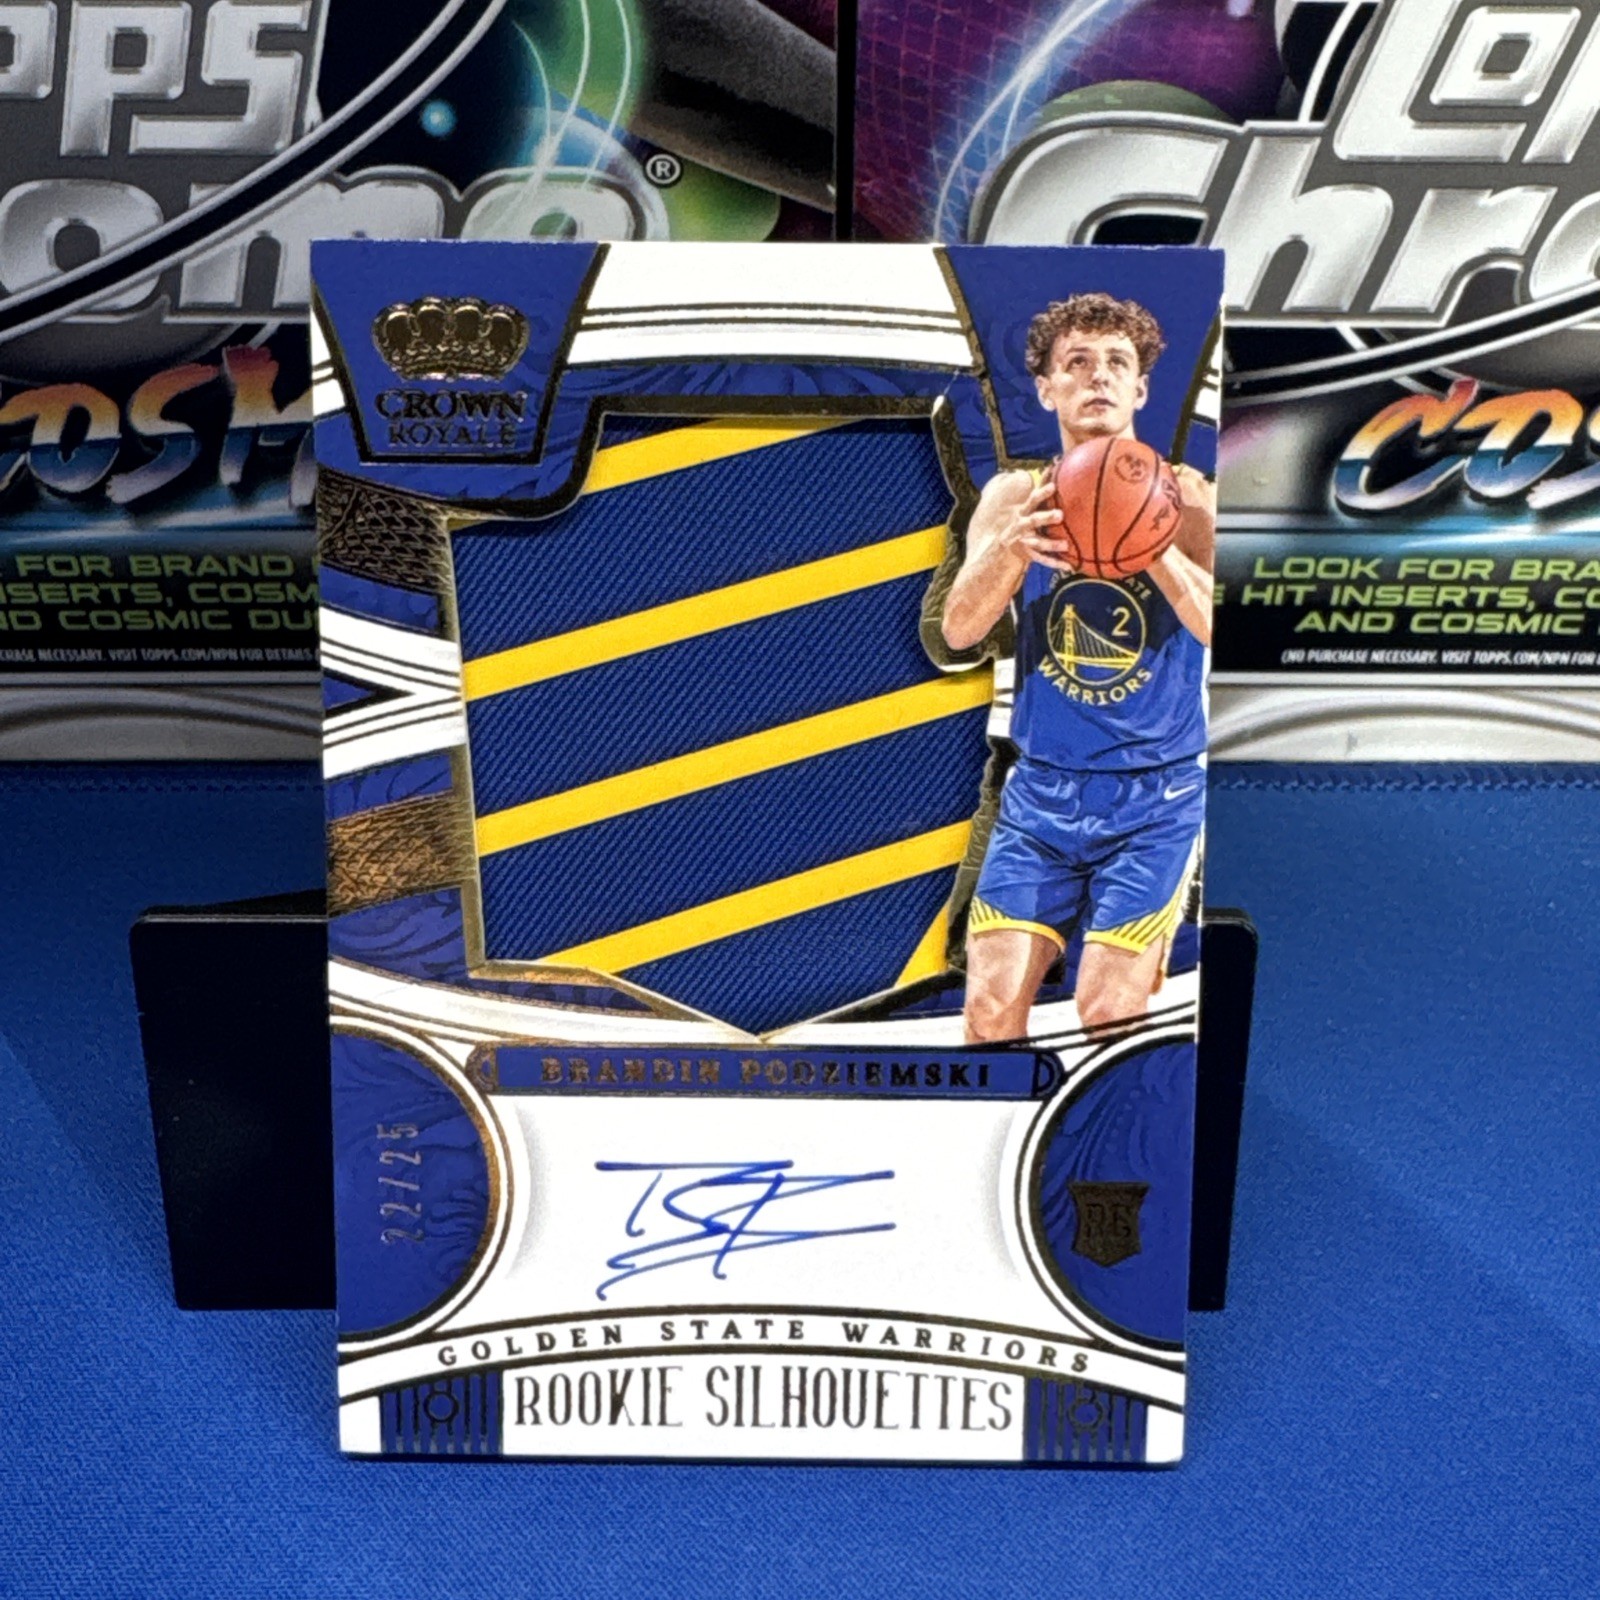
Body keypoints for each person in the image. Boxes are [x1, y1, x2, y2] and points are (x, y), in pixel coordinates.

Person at [942, 292, 1215, 1042]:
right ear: (1047, 389)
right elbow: (959, 630)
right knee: (990, 1011)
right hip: (1043, 792)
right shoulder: (1016, 495)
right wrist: (1010, 551)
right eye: (1078, 362)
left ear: (1141, 389)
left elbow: (1216, 628)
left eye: (1117, 363)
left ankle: (1112, 1119)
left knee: (1108, 1009)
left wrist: (1152, 542)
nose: (1098, 377)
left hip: (1155, 794)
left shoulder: (1191, 496)